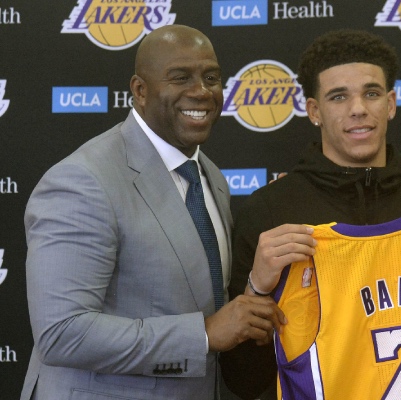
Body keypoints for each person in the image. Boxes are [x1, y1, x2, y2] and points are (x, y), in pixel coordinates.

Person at [220, 29, 401, 399]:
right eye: (338, 96)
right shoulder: (270, 212)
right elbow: (242, 381)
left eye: (371, 93)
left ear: (391, 103)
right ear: (314, 111)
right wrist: (259, 289)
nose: (358, 108)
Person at [21, 25, 285, 400]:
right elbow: (63, 333)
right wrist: (204, 333)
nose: (202, 91)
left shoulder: (208, 174)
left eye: (211, 77)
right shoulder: (82, 180)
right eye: (181, 78)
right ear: (140, 91)